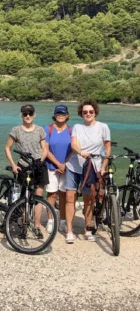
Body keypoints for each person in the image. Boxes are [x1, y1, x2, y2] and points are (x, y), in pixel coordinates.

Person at [64, 99, 111, 244]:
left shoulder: (103, 127)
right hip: (74, 166)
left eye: (91, 111)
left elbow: (108, 148)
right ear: (81, 113)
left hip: (93, 168)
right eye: (85, 112)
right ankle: (70, 231)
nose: (88, 114)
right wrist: (81, 151)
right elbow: (73, 144)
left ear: (95, 112)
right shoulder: (77, 127)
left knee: (89, 199)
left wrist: (103, 167)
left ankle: (87, 229)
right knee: (70, 198)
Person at [4, 104, 49, 239]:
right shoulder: (16, 130)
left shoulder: (40, 129)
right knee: (24, 197)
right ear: (21, 115)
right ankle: (23, 226)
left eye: (30, 113)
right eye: (25, 114)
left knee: (39, 197)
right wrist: (13, 165)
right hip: (23, 166)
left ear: (34, 115)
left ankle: (36, 226)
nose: (28, 116)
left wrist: (41, 160)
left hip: (38, 165)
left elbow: (45, 148)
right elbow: (7, 148)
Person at [43, 105, 72, 235]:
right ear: (54, 115)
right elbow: (46, 150)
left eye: (63, 113)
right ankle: (50, 221)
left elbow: (73, 150)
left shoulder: (71, 130)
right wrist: (58, 164)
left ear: (67, 116)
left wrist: (64, 164)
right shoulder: (48, 129)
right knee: (52, 194)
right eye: (58, 113)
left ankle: (63, 221)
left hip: (66, 168)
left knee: (63, 195)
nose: (60, 115)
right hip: (51, 167)